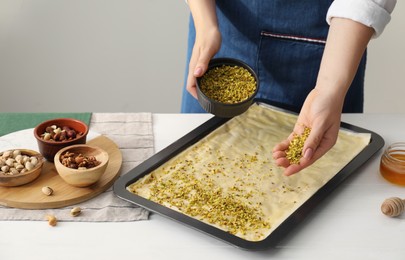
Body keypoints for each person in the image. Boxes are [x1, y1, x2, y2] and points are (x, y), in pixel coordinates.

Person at [181, 0, 396, 175]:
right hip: (220, 33)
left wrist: (328, 89)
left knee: (316, 175)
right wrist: (205, 26)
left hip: (331, 50)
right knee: (194, 166)